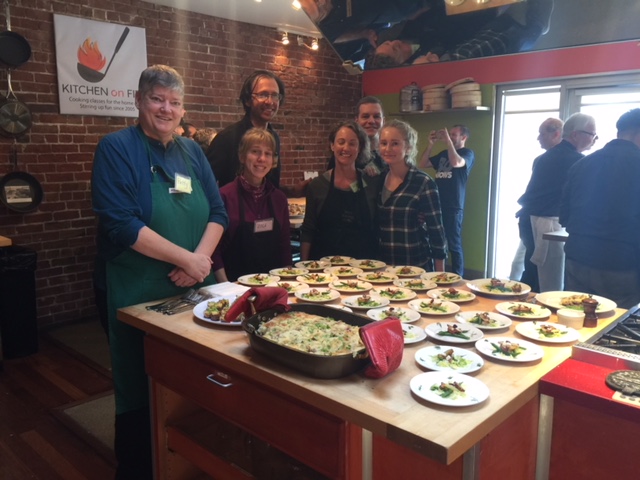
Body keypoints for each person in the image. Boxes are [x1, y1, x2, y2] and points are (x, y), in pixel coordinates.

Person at [91, 65, 228, 479]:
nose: (166, 109)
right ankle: (139, 468)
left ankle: (190, 462)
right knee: (142, 382)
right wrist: (184, 260)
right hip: (138, 289)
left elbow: (218, 212)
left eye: (174, 102)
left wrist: (200, 261)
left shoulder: (192, 151)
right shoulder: (116, 148)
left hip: (195, 287)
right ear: (138, 101)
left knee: (196, 375)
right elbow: (121, 223)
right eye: (156, 99)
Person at [560, 109, 640, 308]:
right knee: (617, 326)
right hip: (622, 263)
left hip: (577, 258)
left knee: (575, 318)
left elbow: (564, 216)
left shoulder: (582, 164)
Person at [517, 112, 596, 292]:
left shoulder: (549, 156)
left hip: (531, 219)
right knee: (549, 282)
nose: (594, 139)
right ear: (575, 134)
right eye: (591, 134)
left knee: (533, 273)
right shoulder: (576, 161)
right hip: (546, 222)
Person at [366, 0, 553, 68]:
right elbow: (462, 36)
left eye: (388, 43)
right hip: (476, 19)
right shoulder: (426, 58)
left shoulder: (397, 34)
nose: (393, 42)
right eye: (393, 48)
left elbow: (412, 15)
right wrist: (494, 12)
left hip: (446, 6)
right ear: (400, 62)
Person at [213, 128, 291, 281]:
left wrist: (287, 283)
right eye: (255, 151)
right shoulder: (224, 196)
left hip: (273, 287)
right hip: (235, 287)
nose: (261, 158)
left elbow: (284, 246)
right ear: (242, 156)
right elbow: (214, 250)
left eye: (267, 153)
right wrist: (225, 286)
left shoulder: (279, 198)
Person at [301, 121, 380, 260]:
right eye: (341, 142)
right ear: (332, 145)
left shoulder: (371, 183)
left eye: (352, 143)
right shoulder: (318, 186)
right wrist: (303, 267)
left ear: (359, 147)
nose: (346, 148)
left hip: (364, 266)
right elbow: (308, 230)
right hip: (324, 268)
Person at [378, 119, 447, 270]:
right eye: (383, 143)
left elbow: (436, 231)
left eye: (395, 143)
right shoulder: (378, 180)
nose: (388, 148)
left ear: (408, 148)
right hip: (382, 268)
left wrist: (440, 276)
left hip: (413, 266)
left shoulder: (423, 183)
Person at [206, 70, 284, 188]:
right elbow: (207, 184)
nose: (270, 101)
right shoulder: (227, 138)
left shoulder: (274, 138)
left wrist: (293, 190)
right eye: (263, 95)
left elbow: (271, 186)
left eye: (274, 95)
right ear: (248, 100)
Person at [510, 117, 564, 280]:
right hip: (537, 217)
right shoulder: (542, 159)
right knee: (534, 265)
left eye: (541, 134)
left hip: (537, 216)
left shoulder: (549, 159)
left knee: (531, 264)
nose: (538, 138)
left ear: (556, 134)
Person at [419, 125, 473, 276]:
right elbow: (423, 164)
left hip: (453, 207)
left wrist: (448, 141)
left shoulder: (467, 153)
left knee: (454, 245)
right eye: (450, 134)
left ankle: (458, 276)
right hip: (436, 205)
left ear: (464, 138)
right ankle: (436, 274)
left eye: (454, 134)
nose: (450, 136)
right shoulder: (443, 154)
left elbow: (456, 163)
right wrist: (430, 144)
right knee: (435, 242)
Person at [327, 96, 386, 173]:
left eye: (376, 116)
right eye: (365, 116)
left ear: (383, 121)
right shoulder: (345, 154)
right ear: (356, 121)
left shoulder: (389, 153)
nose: (371, 121)